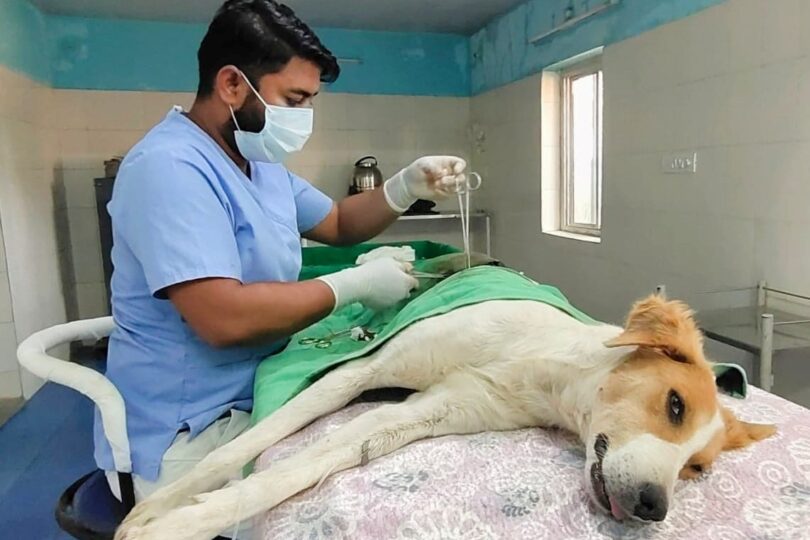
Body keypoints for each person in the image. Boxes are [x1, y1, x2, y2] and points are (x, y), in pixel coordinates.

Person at [95, 0, 467, 504]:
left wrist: (404, 185)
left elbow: (337, 222)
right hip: (191, 429)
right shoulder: (168, 169)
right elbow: (221, 319)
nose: (303, 117)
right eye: (294, 100)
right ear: (231, 84)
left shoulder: (256, 159)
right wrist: (349, 286)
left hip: (260, 388)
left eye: (310, 101)